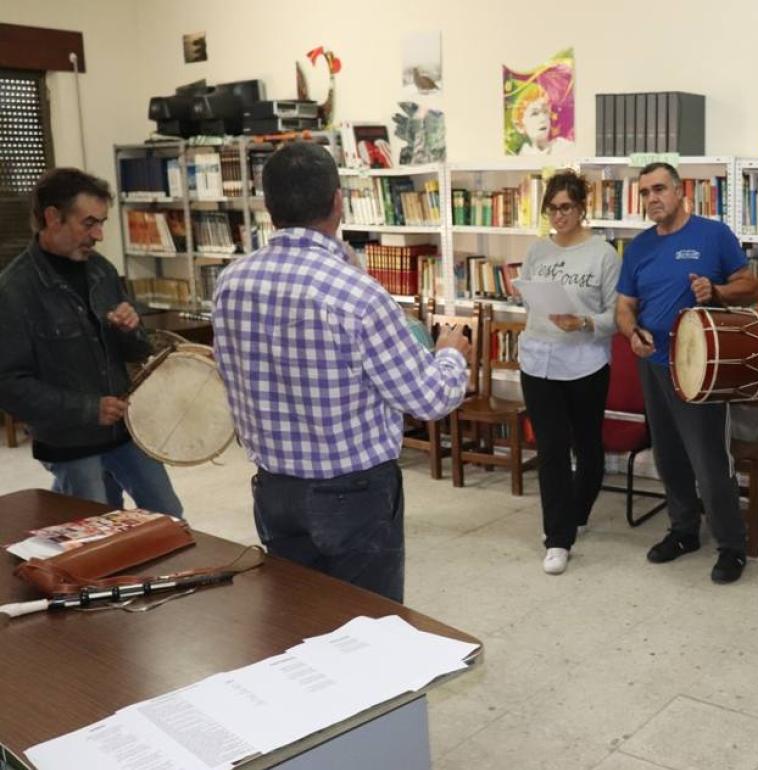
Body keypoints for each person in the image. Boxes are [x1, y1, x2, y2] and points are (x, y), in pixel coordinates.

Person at [212, 141, 470, 603]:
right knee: (368, 627)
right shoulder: (359, 296)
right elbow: (429, 400)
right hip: (354, 495)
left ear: (268, 208)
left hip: (274, 489)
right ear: (338, 201)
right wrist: (451, 353)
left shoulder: (232, 282)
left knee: (298, 616)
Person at [0, 168, 183, 516]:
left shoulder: (101, 270)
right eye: (88, 223)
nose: (99, 234)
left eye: (102, 222)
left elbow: (137, 351)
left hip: (126, 429)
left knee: (169, 516)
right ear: (53, 217)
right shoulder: (13, 291)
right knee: (95, 529)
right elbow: (9, 386)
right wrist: (88, 409)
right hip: (69, 442)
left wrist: (130, 330)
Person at [615, 162, 758, 585]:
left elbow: (749, 287)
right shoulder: (638, 248)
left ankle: (732, 546)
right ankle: (683, 531)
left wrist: (715, 291)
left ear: (680, 192)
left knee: (709, 461)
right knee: (669, 456)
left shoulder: (712, 235)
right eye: (644, 193)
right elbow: (624, 307)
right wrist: (632, 333)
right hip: (654, 363)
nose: (652, 198)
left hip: (701, 367)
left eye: (659, 189)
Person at [517, 170, 619, 575]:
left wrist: (585, 323)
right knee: (551, 449)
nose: (558, 216)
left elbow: (616, 313)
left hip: (585, 362)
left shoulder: (603, 253)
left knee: (587, 445)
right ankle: (557, 538)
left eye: (566, 208)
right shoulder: (537, 251)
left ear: (581, 208)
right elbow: (533, 302)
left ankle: (578, 510)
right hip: (538, 359)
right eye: (552, 208)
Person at [514, 86, 573, 156]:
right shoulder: (523, 155)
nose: (543, 118)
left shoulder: (563, 148)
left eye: (545, 112)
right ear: (520, 126)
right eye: (534, 114)